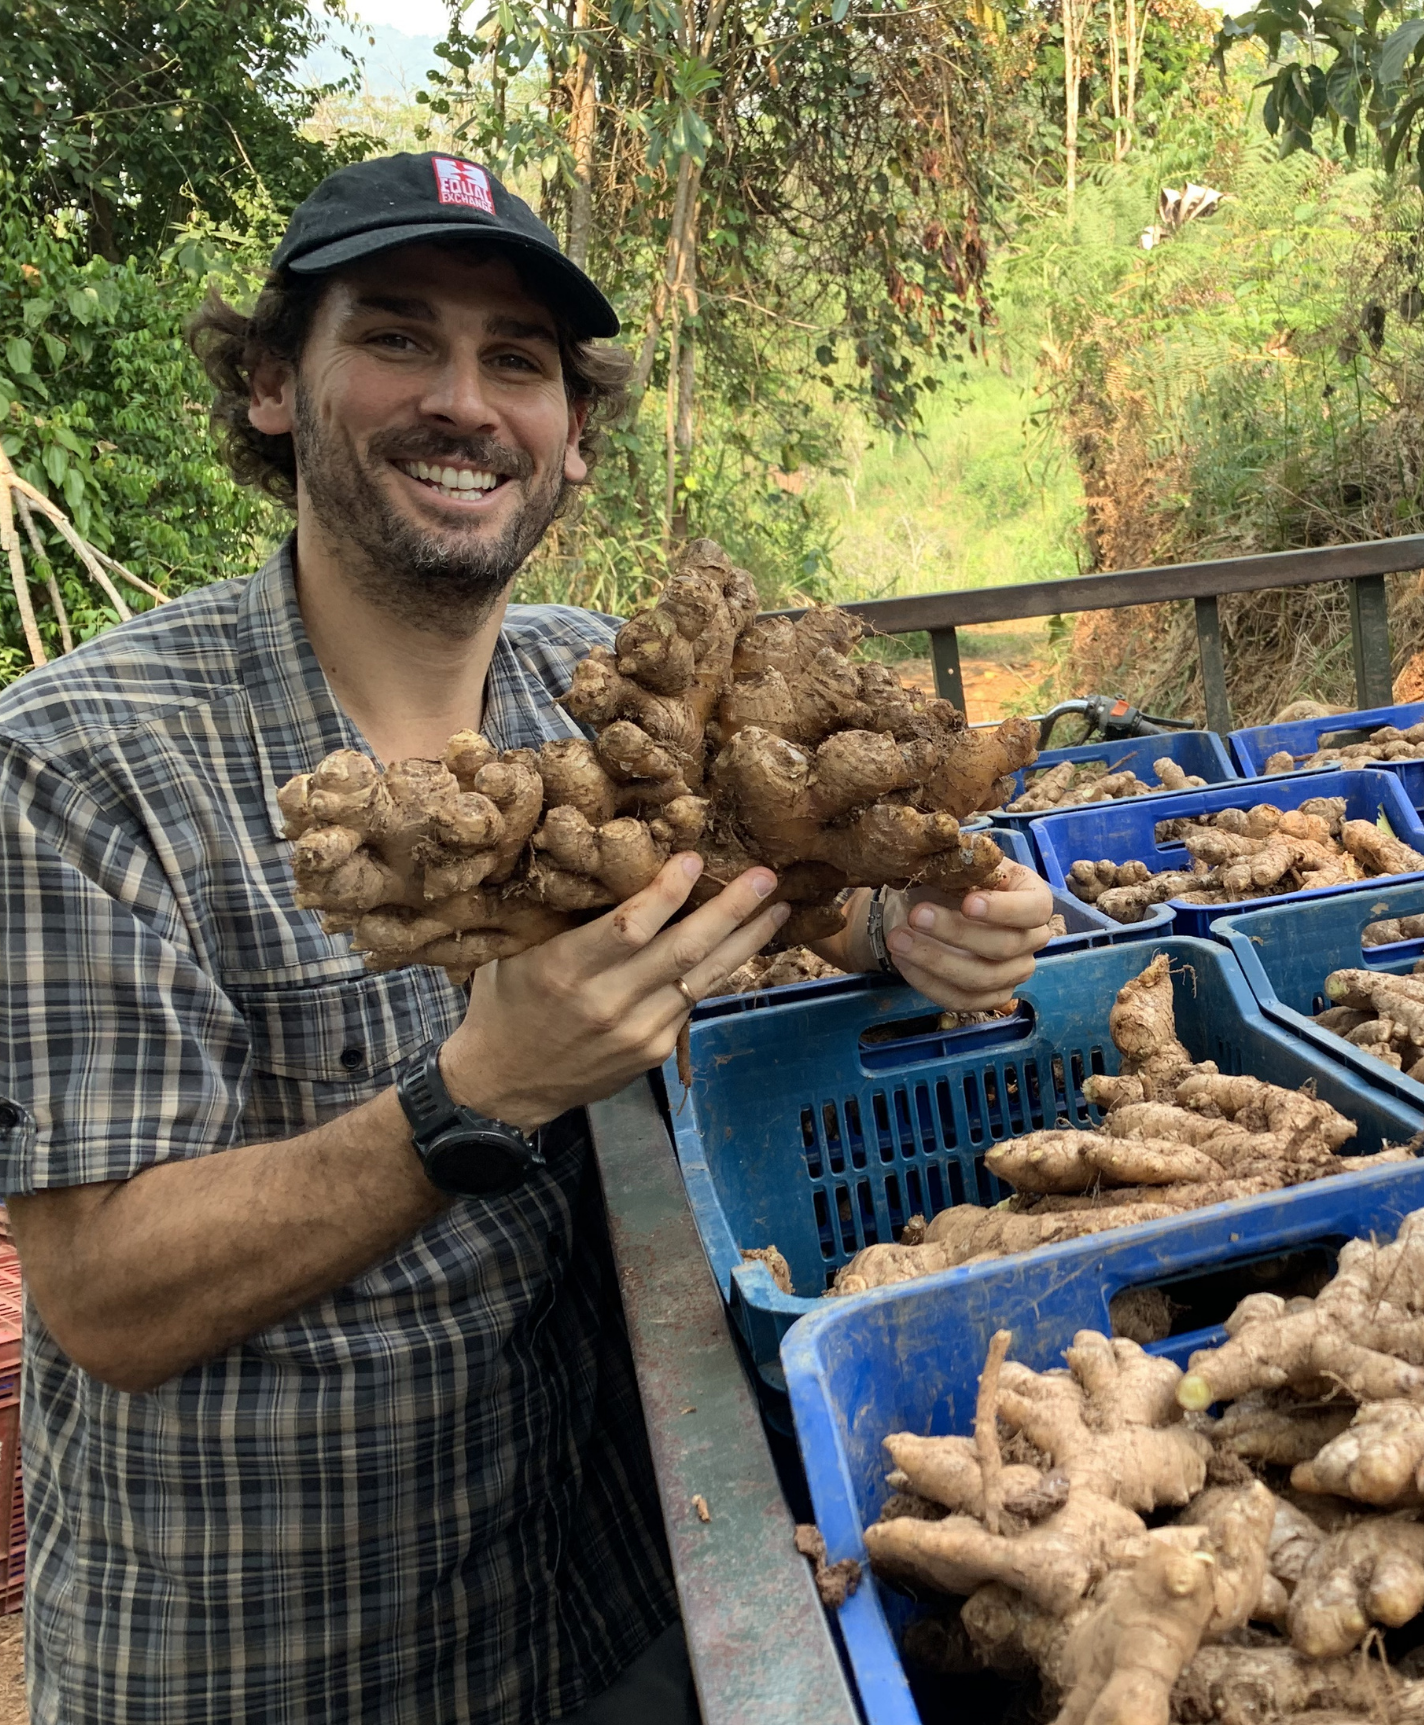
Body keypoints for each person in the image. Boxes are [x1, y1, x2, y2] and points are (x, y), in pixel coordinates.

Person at [0, 151, 1055, 1725]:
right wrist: (470, 1098)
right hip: (277, 1657)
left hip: (633, 1592)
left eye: (519, 364)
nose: (466, 402)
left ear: (569, 442)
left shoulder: (594, 684)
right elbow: (105, 1301)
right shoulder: (80, 759)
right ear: (275, 386)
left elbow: (764, 896)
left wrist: (908, 923)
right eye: (398, 338)